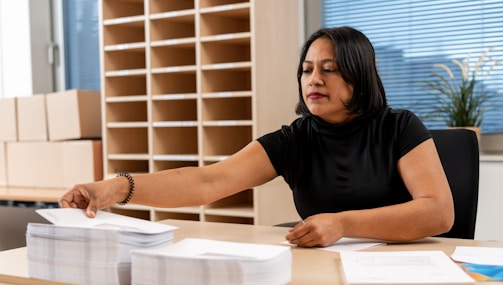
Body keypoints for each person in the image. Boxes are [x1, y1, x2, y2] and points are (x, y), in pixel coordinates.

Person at [60, 26, 454, 247]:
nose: (313, 79)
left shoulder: (400, 126)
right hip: (325, 273)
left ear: (360, 76)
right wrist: (112, 188)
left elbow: (438, 211)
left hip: (403, 269)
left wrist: (342, 224)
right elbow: (208, 181)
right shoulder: (295, 139)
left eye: (329, 69)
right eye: (306, 69)